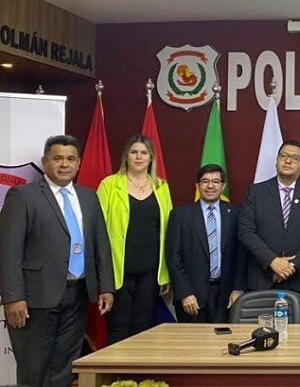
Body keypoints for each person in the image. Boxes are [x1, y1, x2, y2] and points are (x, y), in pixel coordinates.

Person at [0, 135, 114, 387]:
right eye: (58, 158)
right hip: (35, 298)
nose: (64, 164)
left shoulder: (89, 197)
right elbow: (8, 250)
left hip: (78, 295)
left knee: (64, 367)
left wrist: (105, 286)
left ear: (78, 163)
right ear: (45, 161)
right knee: (33, 371)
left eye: (70, 159)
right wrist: (13, 297)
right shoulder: (23, 196)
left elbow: (101, 245)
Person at [238, 140, 300, 323]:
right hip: (264, 280)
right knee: (264, 335)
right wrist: (272, 261)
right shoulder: (256, 192)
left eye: (294, 158)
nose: (288, 161)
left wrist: (291, 266)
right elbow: (245, 231)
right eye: (284, 156)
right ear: (276, 160)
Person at [97, 134, 173, 344]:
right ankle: (115, 368)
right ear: (126, 156)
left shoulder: (161, 187)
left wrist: (165, 274)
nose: (139, 157)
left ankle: (138, 368)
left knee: (143, 328)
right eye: (134, 152)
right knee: (119, 328)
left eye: (144, 153)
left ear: (151, 158)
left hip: (150, 273)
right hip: (118, 272)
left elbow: (168, 231)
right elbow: (97, 230)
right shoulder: (110, 185)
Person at [166, 164, 247, 323]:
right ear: (197, 185)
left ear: (223, 186)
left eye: (216, 181)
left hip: (226, 296)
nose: (210, 186)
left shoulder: (236, 214)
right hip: (192, 298)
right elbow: (173, 258)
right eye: (205, 181)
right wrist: (184, 293)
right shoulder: (180, 216)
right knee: (192, 339)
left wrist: (238, 288)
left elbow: (242, 256)